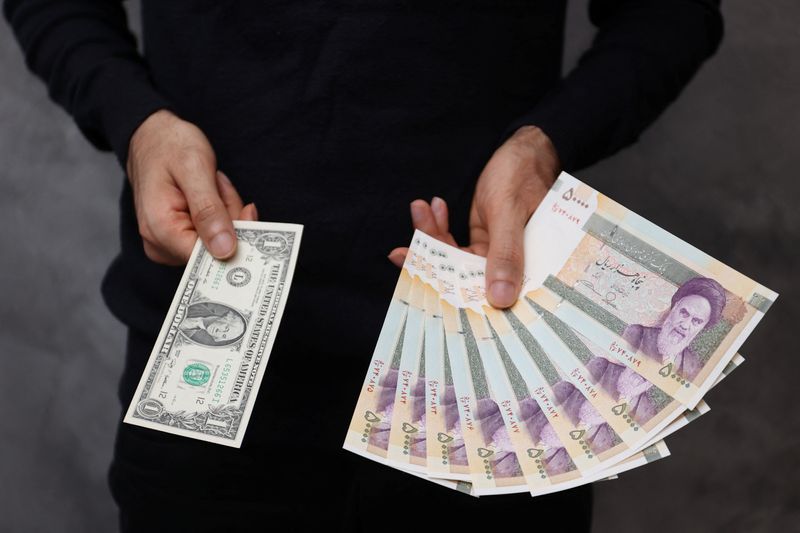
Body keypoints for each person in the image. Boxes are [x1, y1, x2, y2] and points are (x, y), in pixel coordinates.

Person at [3, 0, 723, 530]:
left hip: (488, 379)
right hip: (213, 382)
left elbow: (672, 14)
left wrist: (546, 143)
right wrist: (137, 124)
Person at [622, 276, 727, 380]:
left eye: (696, 321)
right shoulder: (637, 334)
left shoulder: (693, 366)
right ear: (675, 307)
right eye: (684, 313)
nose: (685, 325)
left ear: (703, 327)